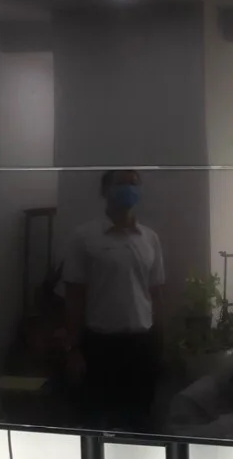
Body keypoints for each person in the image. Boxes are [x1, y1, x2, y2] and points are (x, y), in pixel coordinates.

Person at [62, 169, 165, 424]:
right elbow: (74, 296)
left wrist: (161, 343)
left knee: (140, 421)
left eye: (134, 183)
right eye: (121, 183)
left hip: (141, 345)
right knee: (99, 421)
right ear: (105, 190)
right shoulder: (84, 237)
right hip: (100, 346)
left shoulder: (150, 238)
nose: (129, 189)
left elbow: (155, 293)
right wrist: (72, 349)